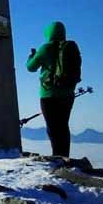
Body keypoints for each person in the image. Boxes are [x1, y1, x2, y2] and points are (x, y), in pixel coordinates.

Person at [26, 21, 79, 157]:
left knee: (53, 128)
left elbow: (31, 67)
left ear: (49, 33)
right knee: (63, 126)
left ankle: (57, 157)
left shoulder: (45, 48)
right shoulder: (70, 48)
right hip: (68, 94)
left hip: (49, 95)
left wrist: (31, 57)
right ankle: (64, 157)